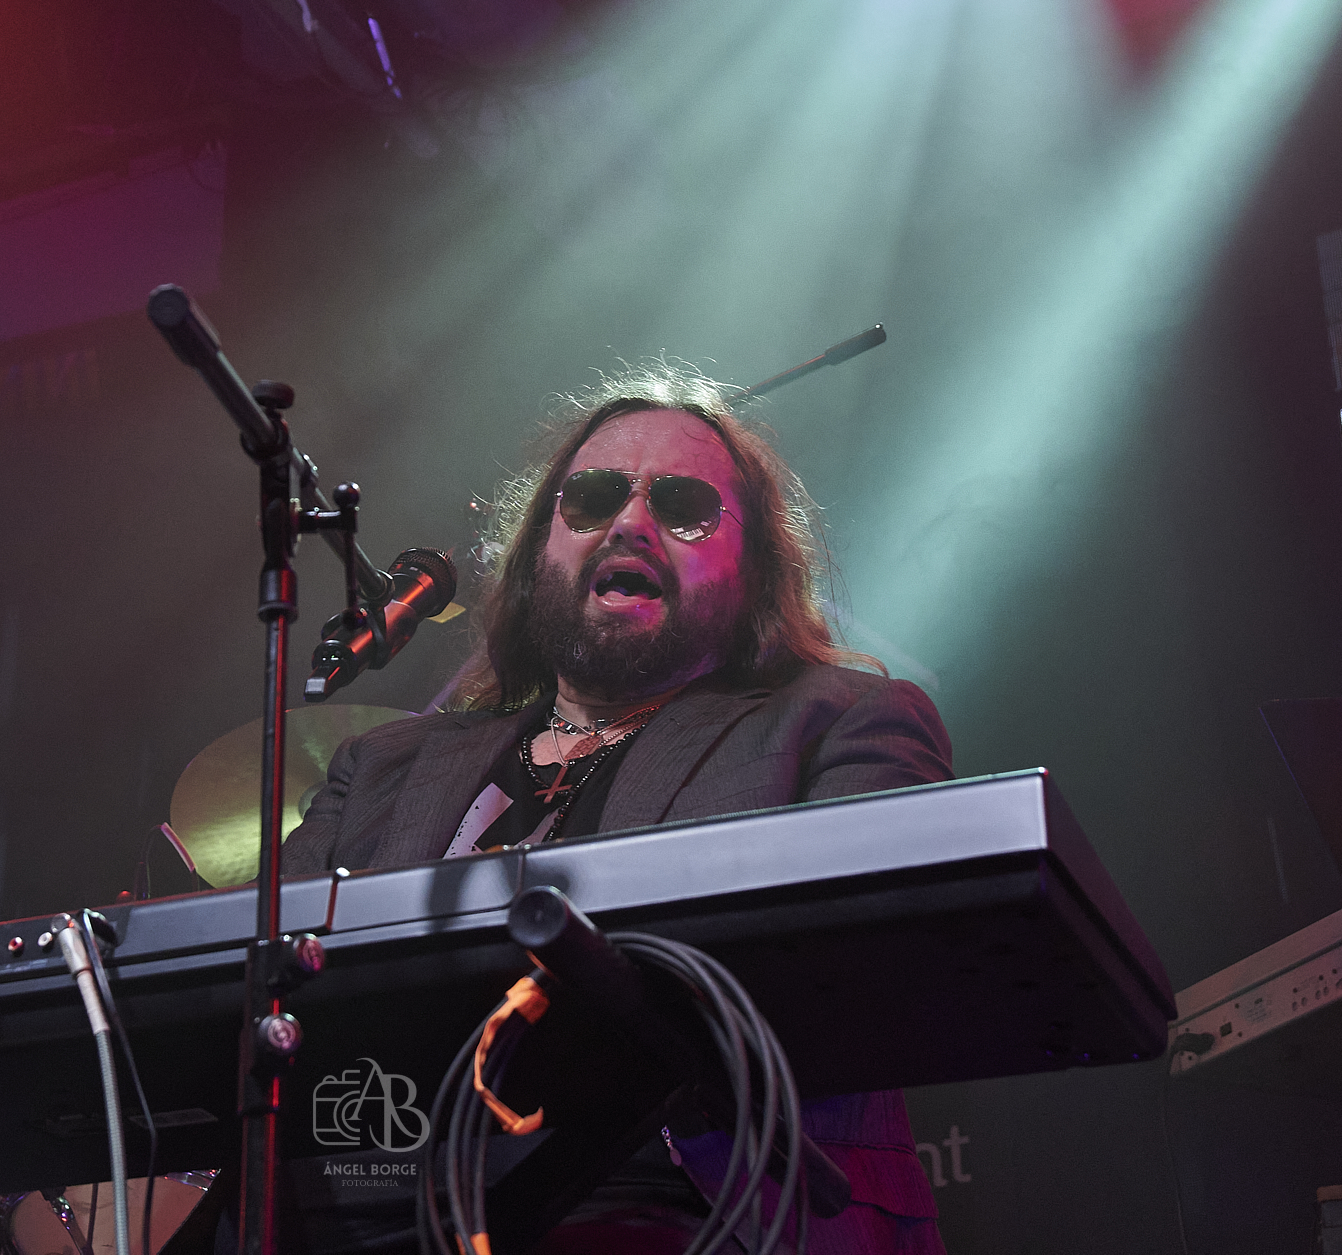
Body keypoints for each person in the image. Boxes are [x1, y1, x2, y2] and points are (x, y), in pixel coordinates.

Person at [281, 361, 951, 1253]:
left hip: (667, 1196)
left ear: (753, 569)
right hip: (366, 1200)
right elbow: (243, 997)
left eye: (682, 506)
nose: (631, 521)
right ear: (538, 552)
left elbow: (856, 976)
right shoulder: (381, 766)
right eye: (593, 497)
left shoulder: (836, 721)